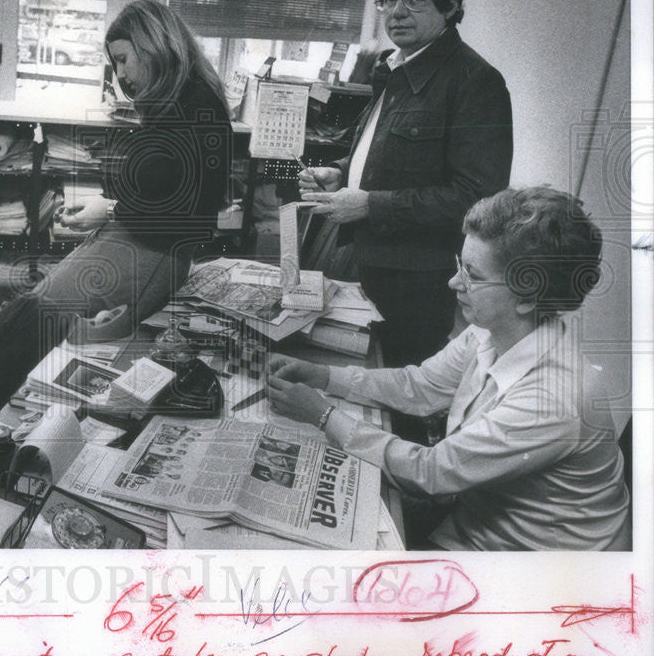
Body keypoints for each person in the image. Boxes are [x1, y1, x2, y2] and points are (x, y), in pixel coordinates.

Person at [268, 187, 630, 551]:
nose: (454, 282)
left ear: (526, 296)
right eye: (461, 265)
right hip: (480, 521)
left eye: (472, 274)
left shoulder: (550, 399)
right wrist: (324, 376)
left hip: (539, 570)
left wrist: (323, 415)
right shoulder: (491, 330)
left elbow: (431, 472)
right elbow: (420, 385)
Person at [0, 0, 232, 394]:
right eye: (116, 63)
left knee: (37, 324)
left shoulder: (199, 109)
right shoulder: (173, 103)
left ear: (154, 46)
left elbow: (195, 220)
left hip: (153, 254)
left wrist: (111, 209)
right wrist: (107, 205)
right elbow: (156, 183)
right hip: (134, 241)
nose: (121, 74)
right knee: (29, 311)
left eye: (125, 60)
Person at [299, 0, 513, 367]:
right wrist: (340, 173)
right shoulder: (395, 67)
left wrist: (369, 204)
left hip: (414, 281)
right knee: (345, 370)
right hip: (361, 257)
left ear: (450, 6)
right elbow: (383, 152)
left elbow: (477, 199)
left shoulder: (477, 82)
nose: (396, 11)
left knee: (399, 385)